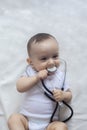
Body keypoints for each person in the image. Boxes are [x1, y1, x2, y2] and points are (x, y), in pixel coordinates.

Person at [8, 33, 72, 130]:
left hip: (49, 124)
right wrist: (36, 77)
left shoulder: (59, 76)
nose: (51, 62)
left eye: (55, 56)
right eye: (44, 58)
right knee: (14, 119)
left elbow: (69, 95)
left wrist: (63, 95)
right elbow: (19, 87)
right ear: (31, 62)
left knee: (61, 127)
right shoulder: (30, 72)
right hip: (27, 120)